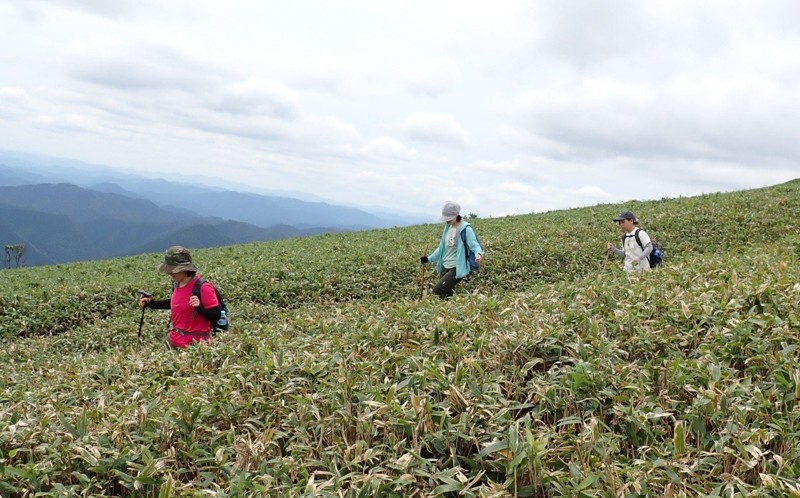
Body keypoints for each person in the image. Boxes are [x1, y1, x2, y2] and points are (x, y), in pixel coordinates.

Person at [138, 246, 221, 348]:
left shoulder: (203, 287)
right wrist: (151, 303)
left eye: (174, 270)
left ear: (185, 269)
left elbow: (216, 316)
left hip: (195, 344)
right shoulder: (177, 284)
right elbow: (175, 303)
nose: (170, 273)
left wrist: (199, 309)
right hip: (174, 339)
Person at [420, 201, 484, 298]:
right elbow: (442, 248)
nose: (447, 220)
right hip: (445, 265)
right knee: (446, 295)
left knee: (437, 290)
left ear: (456, 215)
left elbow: (475, 246)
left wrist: (478, 254)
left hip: (456, 267)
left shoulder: (466, 229)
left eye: (449, 218)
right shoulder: (448, 228)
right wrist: (428, 259)